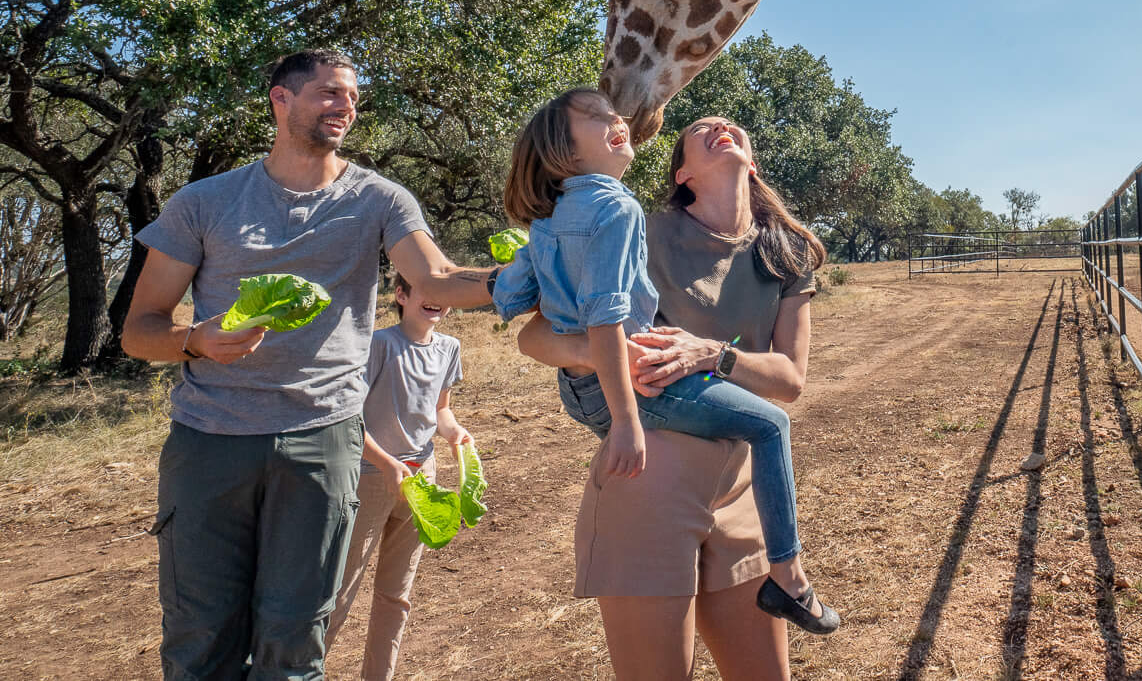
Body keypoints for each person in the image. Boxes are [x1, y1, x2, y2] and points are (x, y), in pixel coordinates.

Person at [122, 49, 508, 681]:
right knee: (200, 634)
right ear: (281, 100)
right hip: (210, 441)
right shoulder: (204, 202)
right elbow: (139, 330)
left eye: (351, 97)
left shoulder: (380, 199)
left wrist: (529, 277)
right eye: (329, 93)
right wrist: (195, 340)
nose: (345, 108)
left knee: (297, 634)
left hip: (323, 440)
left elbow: (437, 277)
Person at [494, 90, 838, 637]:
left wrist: (713, 354)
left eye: (729, 122)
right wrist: (605, 357)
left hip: (744, 488)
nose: (720, 124)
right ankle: (790, 575)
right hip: (650, 477)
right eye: (701, 128)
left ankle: (788, 575)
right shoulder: (635, 225)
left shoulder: (785, 254)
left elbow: (790, 382)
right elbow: (537, 333)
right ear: (681, 174)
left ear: (753, 160)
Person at [327, 271, 471, 681]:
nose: (436, 301)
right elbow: (349, 417)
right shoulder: (379, 345)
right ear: (401, 294)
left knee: (396, 596)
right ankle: (302, 671)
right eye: (426, 291)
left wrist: (454, 432)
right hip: (370, 478)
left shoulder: (450, 348)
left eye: (444, 294)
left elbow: (441, 410)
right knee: (341, 590)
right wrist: (388, 463)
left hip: (421, 482)